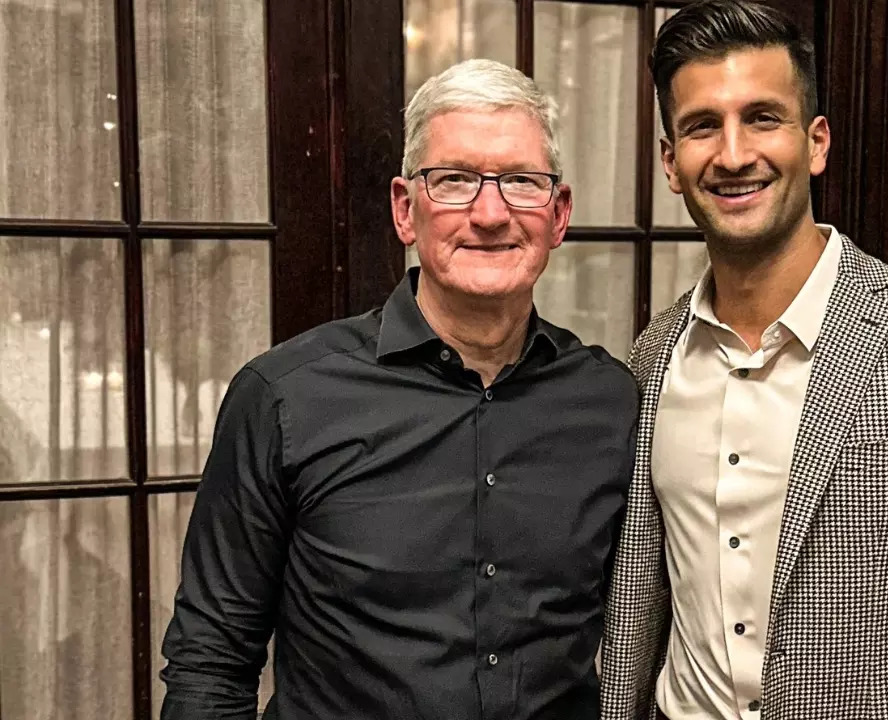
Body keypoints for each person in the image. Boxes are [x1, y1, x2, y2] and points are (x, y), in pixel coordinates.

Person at [600, 2, 888, 718]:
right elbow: (640, 602)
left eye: (762, 117)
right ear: (671, 163)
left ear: (815, 142)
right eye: (700, 126)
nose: (731, 154)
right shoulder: (653, 356)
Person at [159, 59, 638, 720]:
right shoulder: (284, 398)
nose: (491, 213)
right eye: (455, 180)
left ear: (558, 215)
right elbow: (211, 659)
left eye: (522, 182)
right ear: (405, 210)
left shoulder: (612, 403)